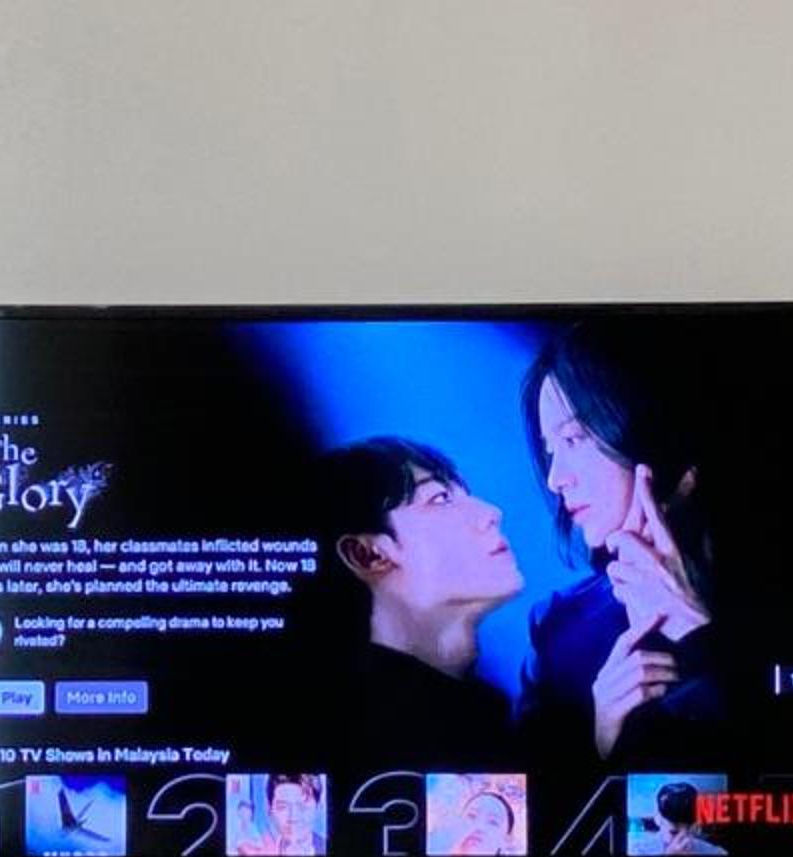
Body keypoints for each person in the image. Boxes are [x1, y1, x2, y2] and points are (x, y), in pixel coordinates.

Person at [516, 330, 724, 767]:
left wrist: (698, 635)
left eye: (573, 439)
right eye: (551, 451)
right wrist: (600, 742)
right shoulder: (557, 627)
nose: (555, 479)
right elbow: (525, 795)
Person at [308, 436, 524, 774]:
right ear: (369, 554)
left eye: (463, 495)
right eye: (440, 499)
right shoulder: (355, 735)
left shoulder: (491, 713)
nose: (491, 513)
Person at [642, 779, 728, 857]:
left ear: (696, 826)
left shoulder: (716, 853)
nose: (684, 840)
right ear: (657, 819)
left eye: (690, 830)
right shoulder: (639, 850)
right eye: (674, 832)